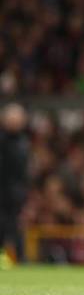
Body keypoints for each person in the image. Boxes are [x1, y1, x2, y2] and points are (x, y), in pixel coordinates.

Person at [0, 103, 29, 269]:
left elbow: (22, 171)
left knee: (17, 225)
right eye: (12, 119)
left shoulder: (23, 142)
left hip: (16, 191)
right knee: (2, 225)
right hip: (2, 189)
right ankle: (2, 256)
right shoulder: (4, 141)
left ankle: (21, 258)